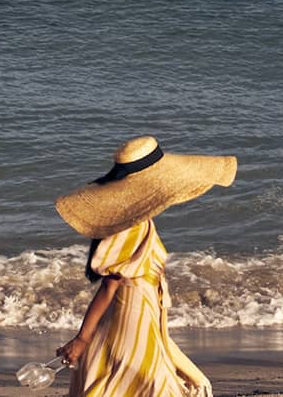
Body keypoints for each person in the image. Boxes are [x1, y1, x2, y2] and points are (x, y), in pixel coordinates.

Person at [54, 135, 238, 397]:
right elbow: (109, 287)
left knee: (137, 377)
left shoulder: (134, 220)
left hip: (143, 307)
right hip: (134, 309)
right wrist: (82, 338)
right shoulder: (129, 225)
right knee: (149, 380)